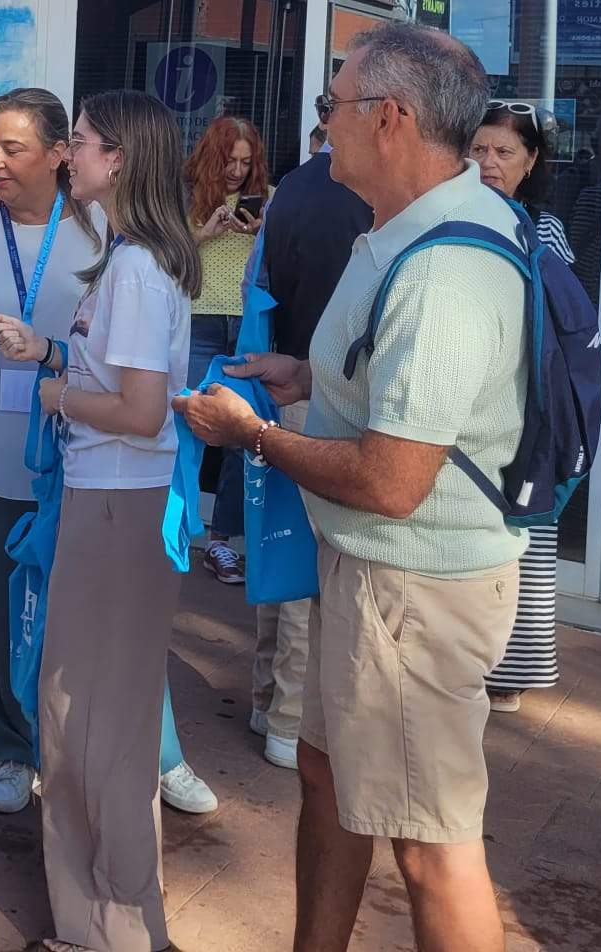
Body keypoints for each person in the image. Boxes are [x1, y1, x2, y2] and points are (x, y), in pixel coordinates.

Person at [176, 23, 529, 952]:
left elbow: (390, 478)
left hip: (410, 588)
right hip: (369, 577)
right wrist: (307, 379)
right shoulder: (395, 232)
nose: (323, 122)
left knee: (432, 849)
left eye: (334, 104)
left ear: (393, 118)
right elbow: (388, 400)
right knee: (329, 777)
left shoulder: (445, 269)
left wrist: (251, 434)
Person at [0, 89, 203, 952]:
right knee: (85, 719)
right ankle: (102, 919)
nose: (66, 154)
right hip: (108, 502)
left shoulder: (140, 268)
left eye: (76, 142)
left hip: (118, 505)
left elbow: (144, 410)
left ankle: (111, 927)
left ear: (117, 160)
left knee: (92, 725)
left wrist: (55, 392)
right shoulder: (131, 261)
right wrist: (58, 366)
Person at [0, 88, 100, 814]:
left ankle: (91, 745)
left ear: (60, 155)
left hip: (86, 448)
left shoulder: (100, 230)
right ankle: (10, 745)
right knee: (3, 606)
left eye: (14, 149)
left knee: (85, 603)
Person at [245, 117, 373, 772]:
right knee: (310, 573)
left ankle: (268, 698)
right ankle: (291, 721)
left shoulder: (289, 189)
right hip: (335, 401)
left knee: (277, 551)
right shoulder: (375, 199)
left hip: (279, 382)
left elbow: (260, 284)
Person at [470, 101, 573, 712]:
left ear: (531, 162)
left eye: (504, 152)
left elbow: (560, 326)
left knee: (525, 532)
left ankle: (511, 669)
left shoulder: (544, 229)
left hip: (526, 402)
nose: (488, 163)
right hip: (470, 404)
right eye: (478, 149)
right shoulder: (452, 215)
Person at [184, 115, 269, 584]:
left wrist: (260, 232)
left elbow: (282, 259)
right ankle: (176, 528)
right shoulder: (186, 199)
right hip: (198, 320)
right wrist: (203, 234)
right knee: (188, 422)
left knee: (241, 432)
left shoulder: (268, 201)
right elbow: (167, 255)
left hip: (245, 324)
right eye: (229, 160)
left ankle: (221, 541)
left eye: (245, 161)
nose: (237, 171)